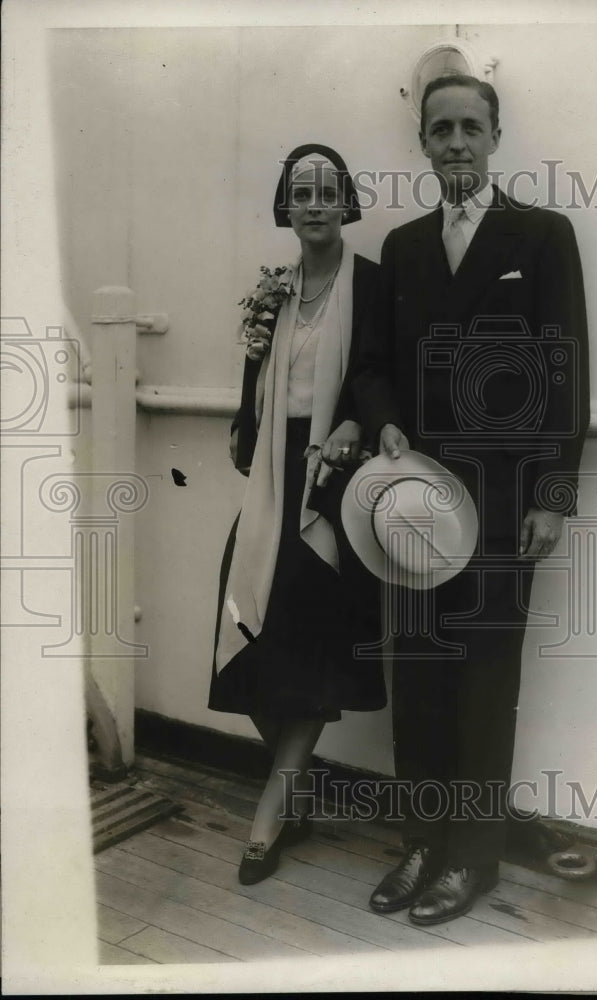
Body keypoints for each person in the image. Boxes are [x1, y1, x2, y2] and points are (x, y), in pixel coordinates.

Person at [351, 75, 590, 925]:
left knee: (485, 678)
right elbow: (371, 366)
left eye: (470, 128)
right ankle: (421, 842)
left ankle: (472, 859)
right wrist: (382, 428)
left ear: (494, 137)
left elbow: (564, 369)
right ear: (421, 141)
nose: (455, 142)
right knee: (416, 674)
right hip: (413, 502)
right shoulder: (404, 246)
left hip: (499, 503)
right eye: (440, 129)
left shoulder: (541, 235)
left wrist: (551, 496)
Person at [209, 144, 386, 884]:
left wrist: (354, 425)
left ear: (347, 203)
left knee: (311, 644)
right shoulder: (275, 290)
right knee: (241, 622)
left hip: (333, 478)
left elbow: (383, 373)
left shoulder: (373, 285)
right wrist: (243, 431)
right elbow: (258, 379)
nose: (314, 205)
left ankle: (269, 816)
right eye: (301, 193)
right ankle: (296, 789)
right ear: (286, 205)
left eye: (327, 192)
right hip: (274, 475)